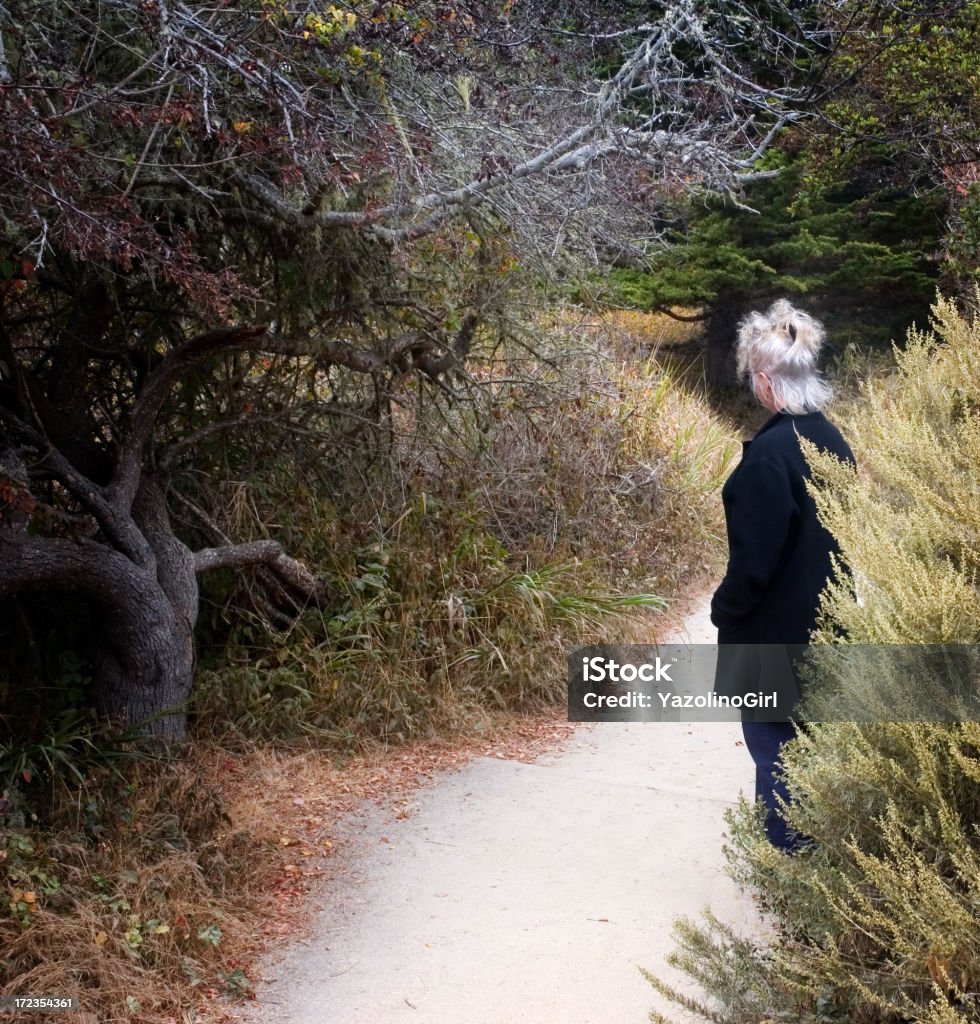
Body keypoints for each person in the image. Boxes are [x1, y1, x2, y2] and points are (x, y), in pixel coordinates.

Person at [710, 299, 855, 852]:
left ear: (766, 380)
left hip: (775, 643)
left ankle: (789, 873)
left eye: (753, 377)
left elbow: (752, 569)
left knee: (775, 754)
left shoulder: (771, 456)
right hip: (825, 632)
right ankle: (817, 864)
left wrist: (723, 610)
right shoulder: (832, 439)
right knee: (809, 755)